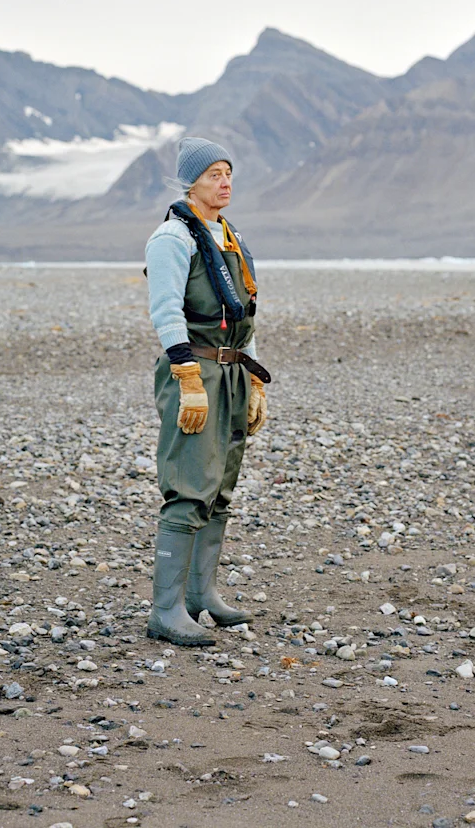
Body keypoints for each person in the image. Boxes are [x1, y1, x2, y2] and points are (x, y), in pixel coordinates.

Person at [143, 137, 270, 646]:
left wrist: (255, 379)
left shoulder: (228, 237)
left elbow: (242, 312)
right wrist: (187, 378)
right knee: (190, 486)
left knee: (220, 487)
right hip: (196, 370)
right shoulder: (174, 238)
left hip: (233, 371)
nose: (225, 182)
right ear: (189, 181)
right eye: (214, 173)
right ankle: (165, 610)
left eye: (229, 173)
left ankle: (201, 597)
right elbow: (166, 311)